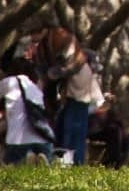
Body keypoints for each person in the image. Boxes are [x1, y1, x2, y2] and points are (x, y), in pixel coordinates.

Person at [44, 28, 105, 166]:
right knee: (67, 128)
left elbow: (67, 68)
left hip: (79, 93)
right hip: (76, 93)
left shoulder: (69, 47)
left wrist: (52, 74)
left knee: (72, 132)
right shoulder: (67, 44)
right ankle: (65, 161)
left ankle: (70, 163)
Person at [0, 59, 54, 165]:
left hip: (19, 141)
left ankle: (28, 158)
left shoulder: (10, 81)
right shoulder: (35, 88)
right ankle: (36, 159)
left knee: (8, 172)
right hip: (43, 140)